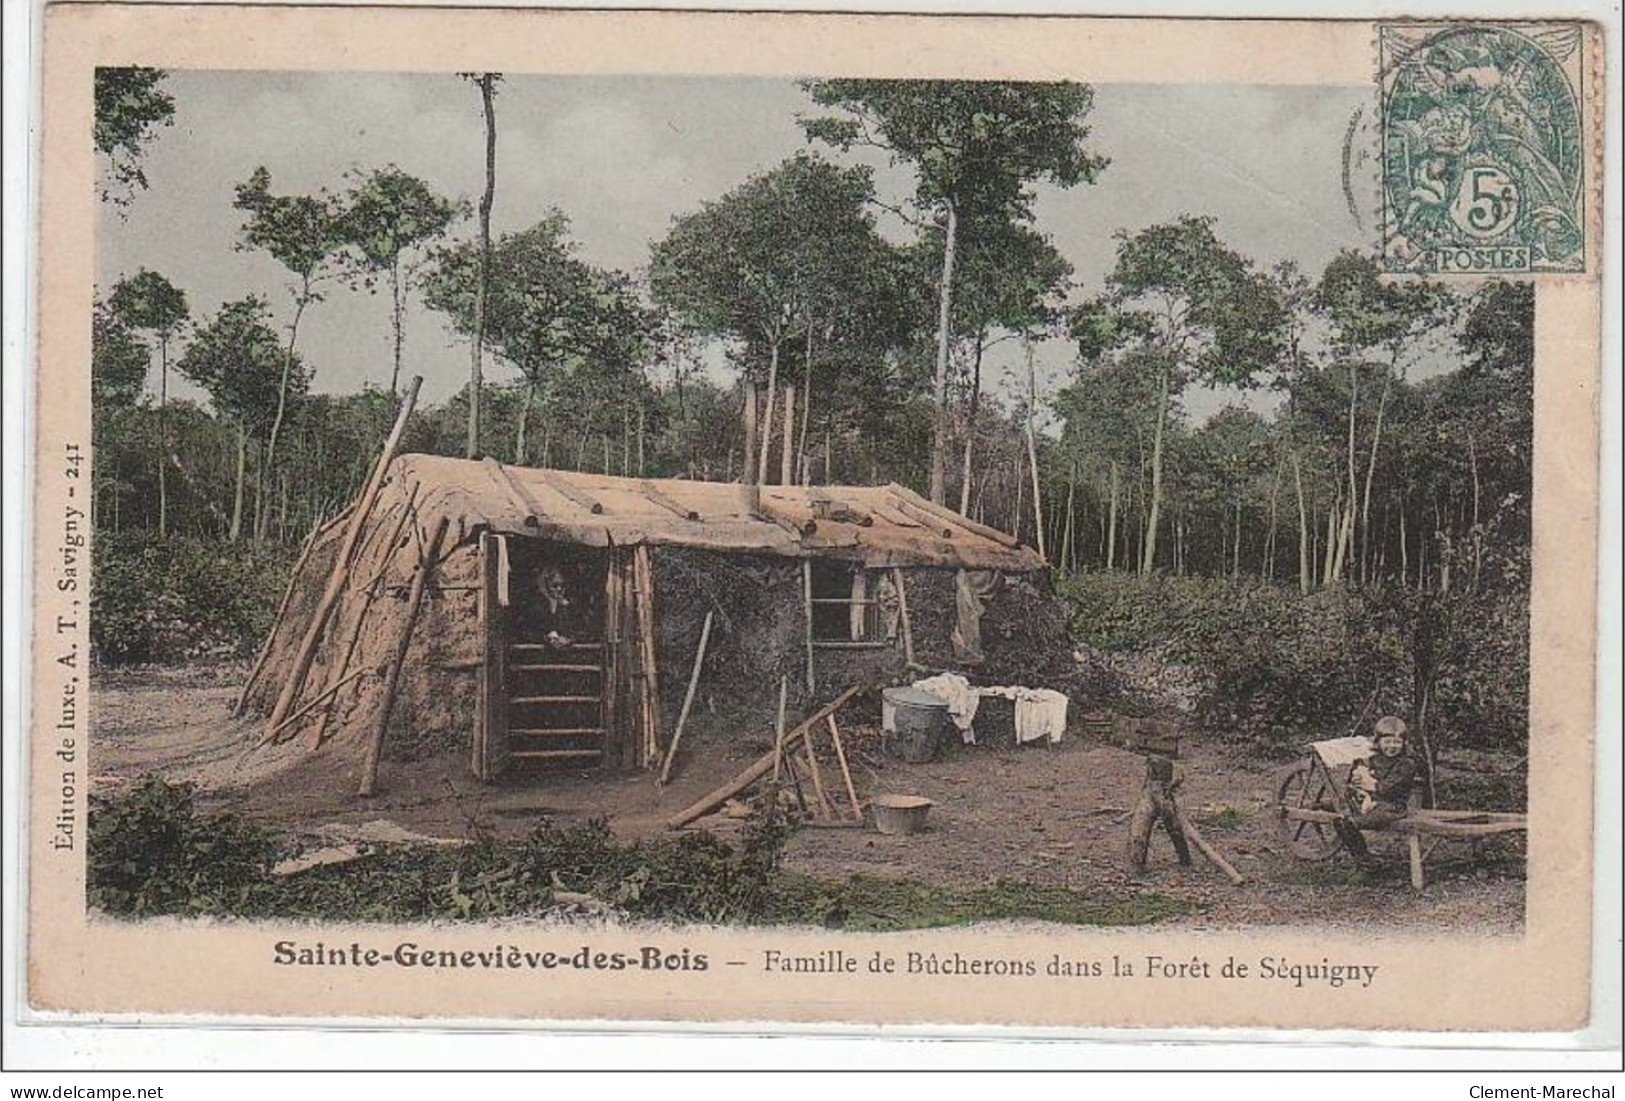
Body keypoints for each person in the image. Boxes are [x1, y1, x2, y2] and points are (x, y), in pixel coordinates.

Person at [1335, 715, 1419, 863]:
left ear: (1404, 743)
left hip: (1392, 807)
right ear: (1378, 742)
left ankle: (1365, 859)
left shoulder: (1406, 764)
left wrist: (1371, 785)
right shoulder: (1373, 759)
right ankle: (1361, 854)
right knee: (1341, 821)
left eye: (1397, 742)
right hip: (1369, 802)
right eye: (1387, 742)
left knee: (1352, 822)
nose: (1392, 746)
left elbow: (1389, 789)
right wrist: (1357, 776)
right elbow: (1355, 780)